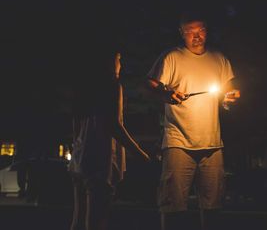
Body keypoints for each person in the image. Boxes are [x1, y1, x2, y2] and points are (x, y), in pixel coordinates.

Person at [147, 11, 240, 230]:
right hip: (178, 141)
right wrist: (166, 94)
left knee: (213, 204)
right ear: (181, 33)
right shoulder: (172, 57)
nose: (196, 36)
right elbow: (149, 84)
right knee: (173, 204)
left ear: (207, 31)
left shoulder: (219, 59)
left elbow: (227, 92)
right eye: (190, 32)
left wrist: (230, 97)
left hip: (212, 142)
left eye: (200, 31)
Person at [68, 50, 150, 230]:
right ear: (109, 61)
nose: (120, 63)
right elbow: (114, 125)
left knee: (79, 219)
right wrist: (140, 153)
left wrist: (76, 150)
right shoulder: (112, 85)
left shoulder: (84, 87)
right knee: (97, 219)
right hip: (101, 156)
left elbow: (76, 125)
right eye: (118, 59)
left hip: (81, 156)